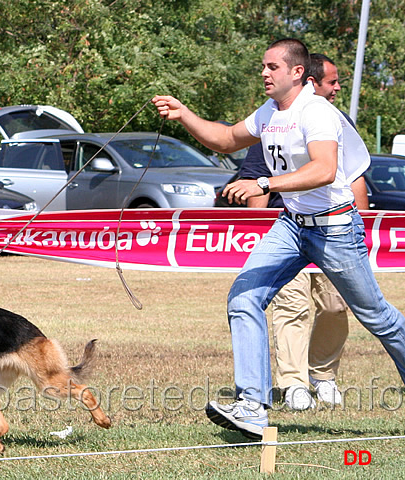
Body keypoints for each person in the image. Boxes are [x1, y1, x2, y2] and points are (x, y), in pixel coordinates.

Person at [153, 38, 405, 440]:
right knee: (243, 297)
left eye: (272, 67)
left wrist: (264, 183)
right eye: (264, 66)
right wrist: (185, 114)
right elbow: (224, 140)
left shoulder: (317, 112)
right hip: (292, 224)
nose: (264, 73)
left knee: (377, 317)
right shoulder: (271, 111)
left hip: (335, 227)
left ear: (297, 73)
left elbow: (324, 170)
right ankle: (252, 407)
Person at [239, 53, 368, 411]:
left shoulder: (335, 121)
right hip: (290, 229)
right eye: (332, 81)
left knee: (335, 306)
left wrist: (362, 224)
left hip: (335, 228)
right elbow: (255, 182)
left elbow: (353, 175)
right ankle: (293, 383)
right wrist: (261, 234)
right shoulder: (273, 119)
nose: (337, 88)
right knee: (290, 307)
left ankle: (323, 377)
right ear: (310, 80)